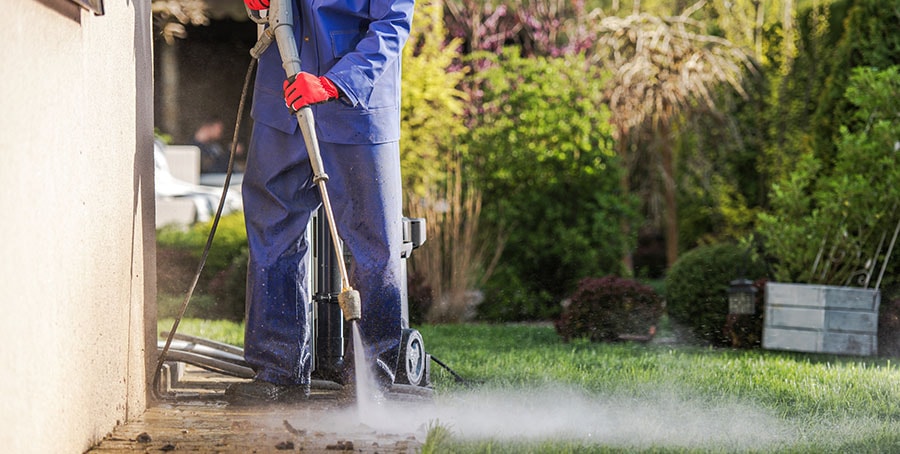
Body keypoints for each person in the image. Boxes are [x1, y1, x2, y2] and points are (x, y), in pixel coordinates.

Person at [226, 0, 415, 402]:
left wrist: (334, 84)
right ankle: (279, 372)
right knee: (272, 230)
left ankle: (369, 378)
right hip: (283, 100)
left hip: (352, 105)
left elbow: (394, 22)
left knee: (372, 242)